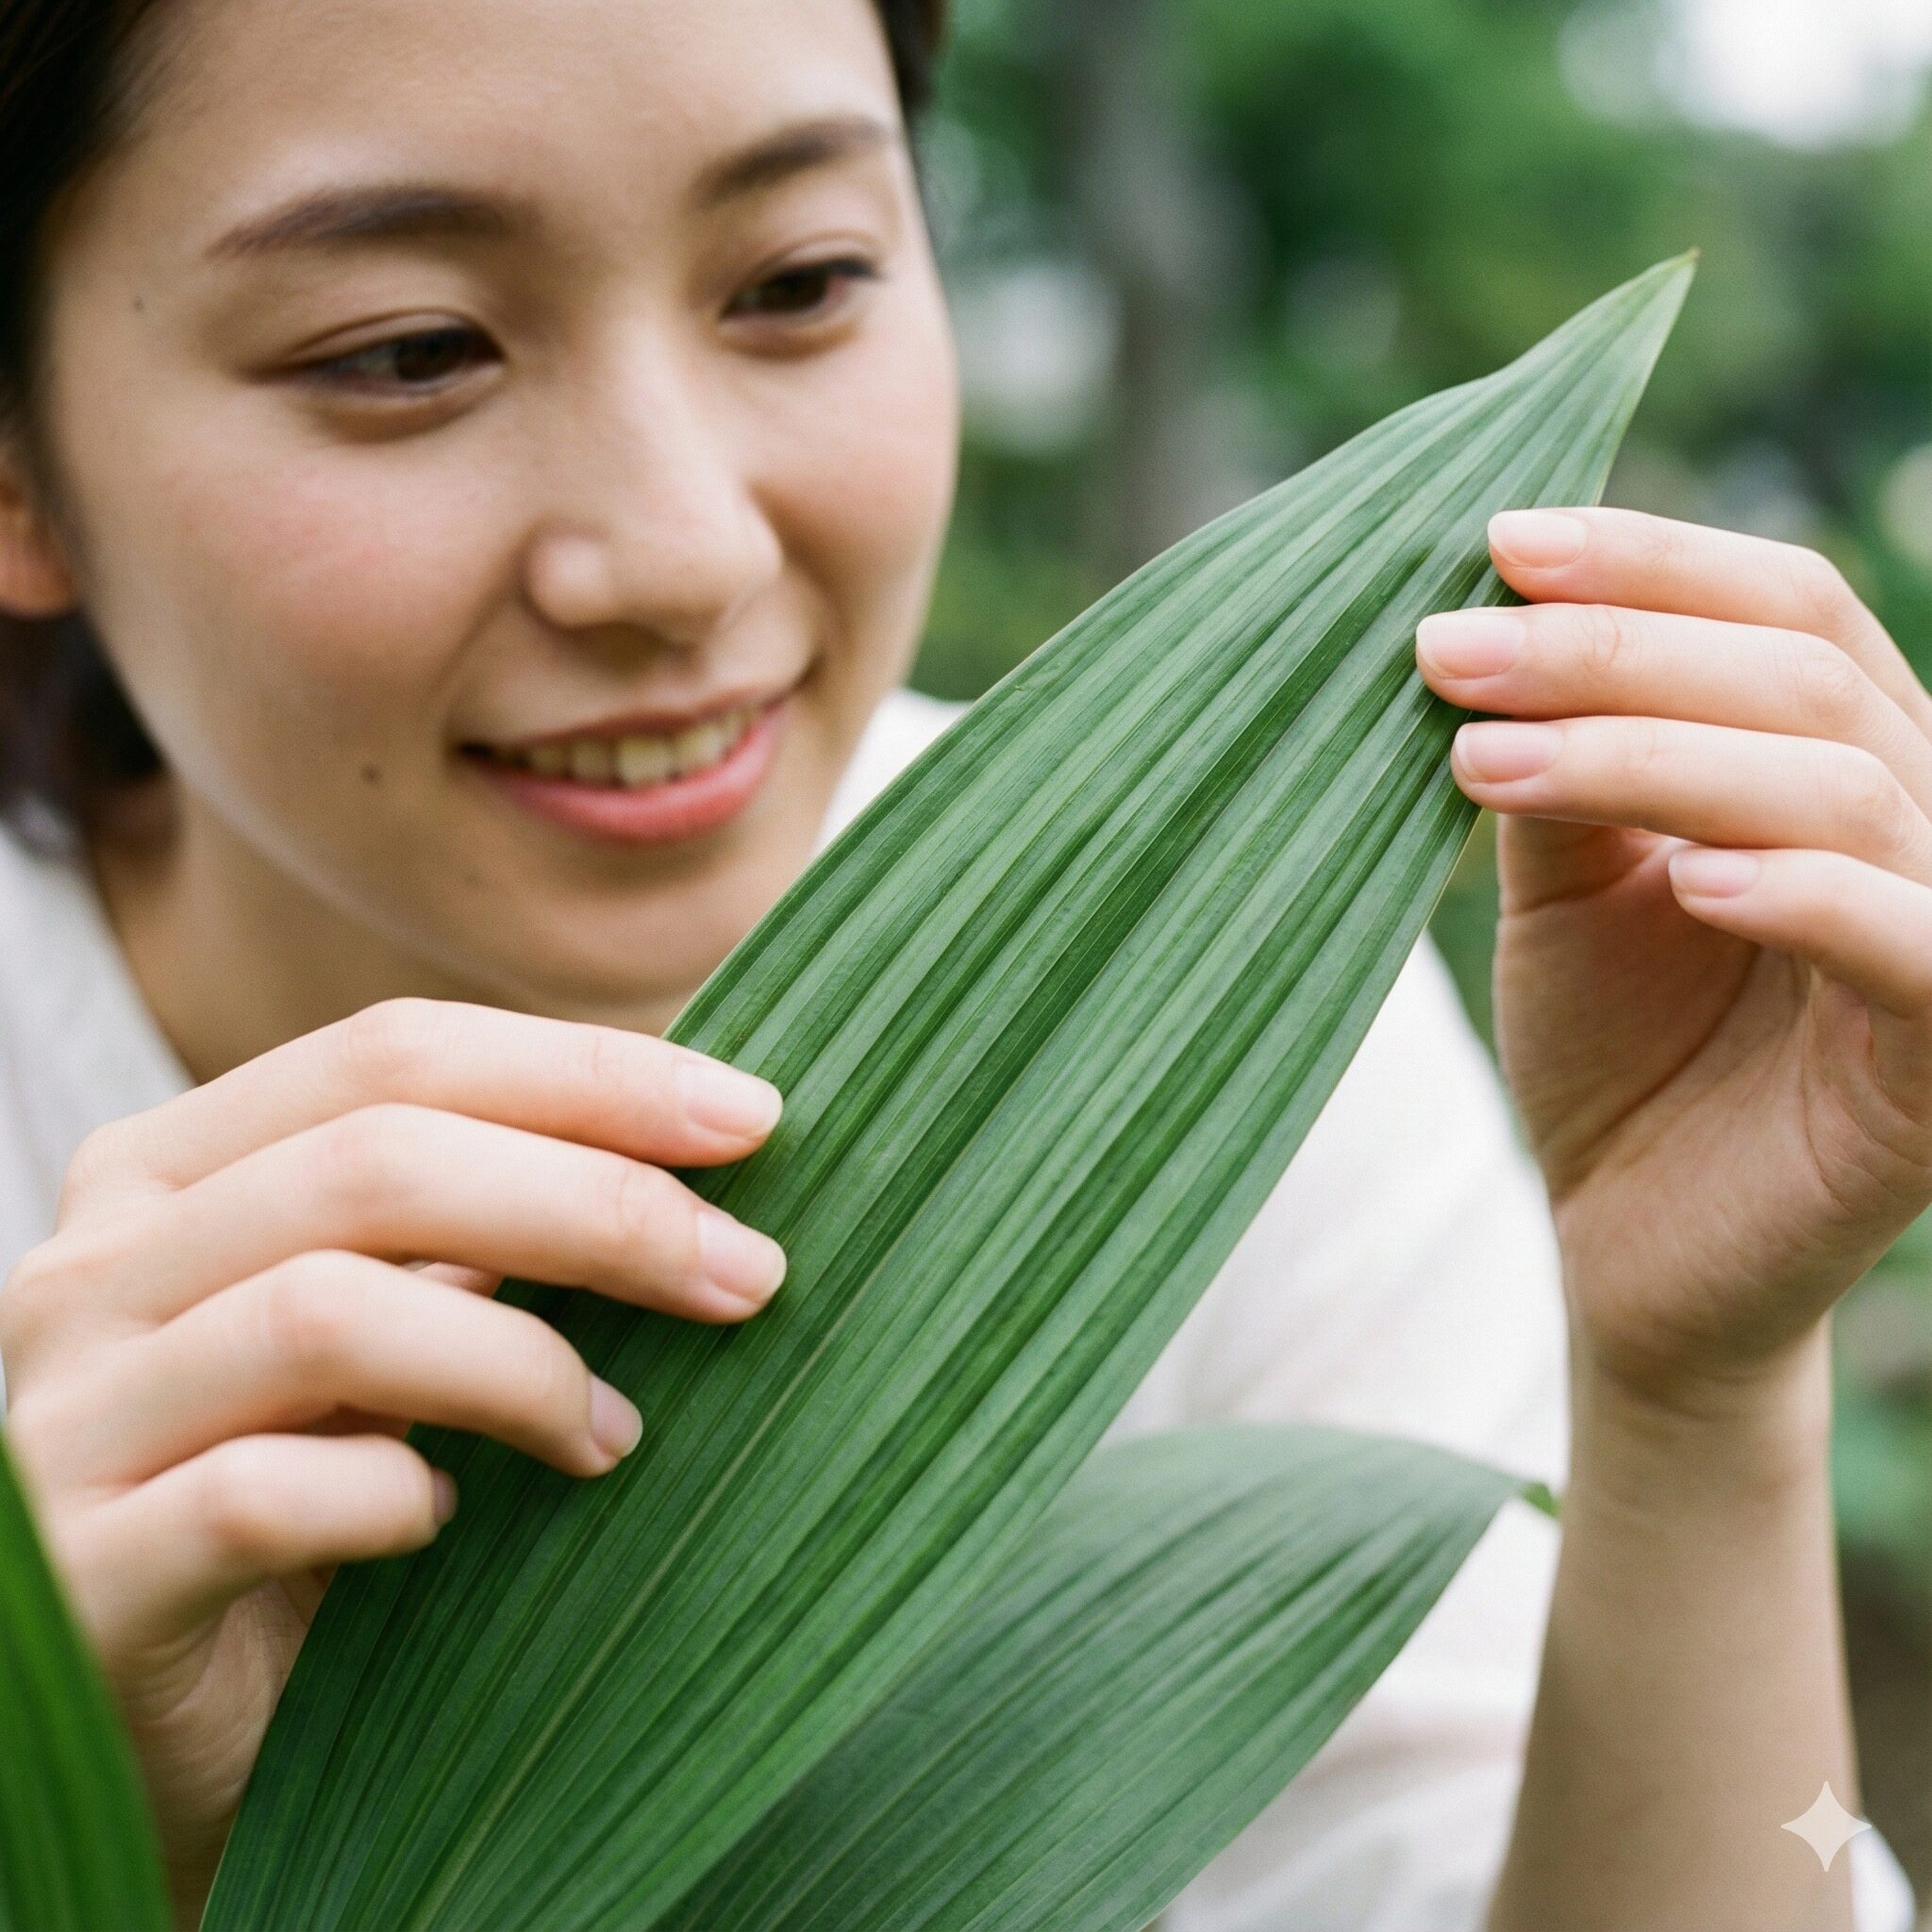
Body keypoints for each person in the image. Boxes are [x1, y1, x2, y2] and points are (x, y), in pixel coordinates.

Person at [0, 2, 1920, 1928]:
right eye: (409, 349)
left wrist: (1693, 1403)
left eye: (799, 279)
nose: (681, 555)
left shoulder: (1192, 991)